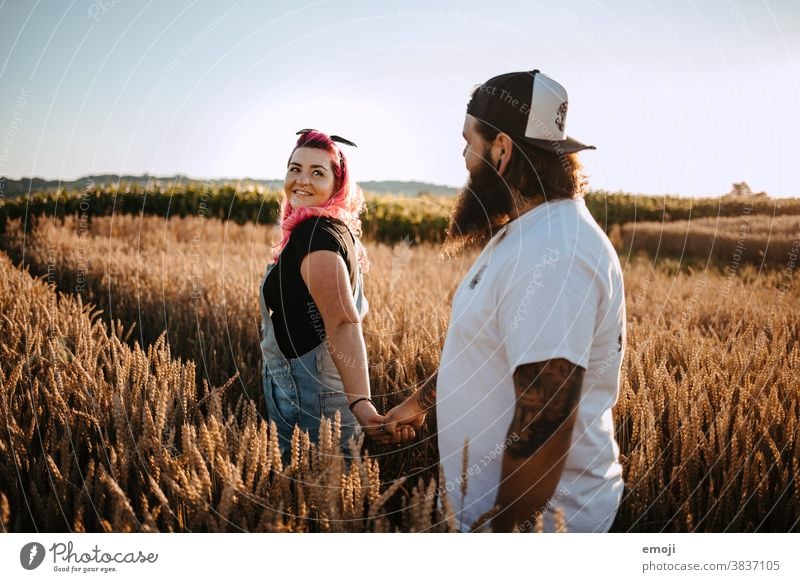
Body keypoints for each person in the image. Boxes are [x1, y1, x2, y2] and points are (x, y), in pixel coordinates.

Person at [384, 70, 626, 532]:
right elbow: (489, 350)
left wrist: (498, 532)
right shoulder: (525, 233)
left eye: (468, 142)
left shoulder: (553, 253)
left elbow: (546, 421)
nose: (463, 156)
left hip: (541, 529)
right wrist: (420, 402)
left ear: (501, 149)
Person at [258, 129, 404, 459]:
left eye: (317, 172)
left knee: (313, 496)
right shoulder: (330, 227)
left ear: (337, 185)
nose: (301, 180)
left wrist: (362, 403)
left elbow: (342, 323)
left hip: (311, 395)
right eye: (295, 168)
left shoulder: (315, 237)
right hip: (312, 389)